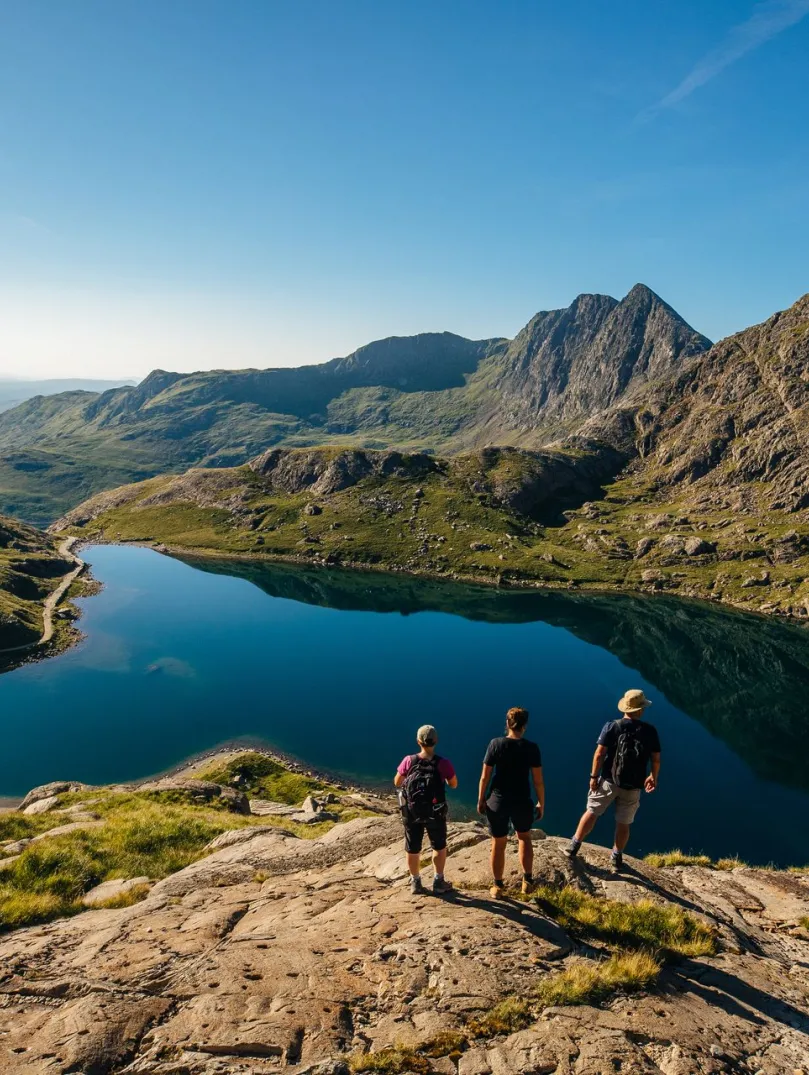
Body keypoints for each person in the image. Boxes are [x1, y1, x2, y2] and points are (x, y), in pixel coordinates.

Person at [565, 688, 661, 872]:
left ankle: (574, 845)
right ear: (640, 710)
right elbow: (656, 759)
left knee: (592, 811)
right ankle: (616, 857)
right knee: (623, 823)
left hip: (609, 780)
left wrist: (594, 776)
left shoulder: (612, 726)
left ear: (625, 707)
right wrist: (653, 777)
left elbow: (599, 754)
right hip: (633, 786)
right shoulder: (650, 731)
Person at [477, 707, 544, 898]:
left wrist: (481, 799)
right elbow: (538, 781)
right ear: (525, 726)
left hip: (497, 801)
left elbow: (485, 777)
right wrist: (541, 803)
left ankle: (498, 886)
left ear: (507, 724)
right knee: (524, 837)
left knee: (499, 842)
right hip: (522, 801)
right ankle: (527, 882)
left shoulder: (495, 744)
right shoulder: (532, 748)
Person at [394, 724, 458, 895]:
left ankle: (415, 882)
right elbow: (453, 784)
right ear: (435, 741)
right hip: (435, 812)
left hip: (412, 811)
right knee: (438, 846)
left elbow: (397, 782)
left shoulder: (409, 760)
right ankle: (438, 881)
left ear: (418, 741)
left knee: (413, 847)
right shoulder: (443, 763)